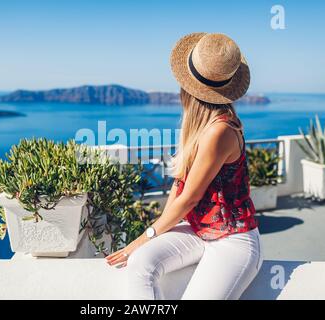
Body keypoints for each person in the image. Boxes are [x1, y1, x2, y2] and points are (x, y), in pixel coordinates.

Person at [106, 32, 263, 300]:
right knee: (140, 265)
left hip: (232, 241)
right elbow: (180, 185)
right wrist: (155, 232)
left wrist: (144, 237)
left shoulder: (219, 131)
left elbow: (189, 198)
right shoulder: (201, 128)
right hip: (199, 230)